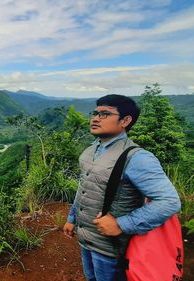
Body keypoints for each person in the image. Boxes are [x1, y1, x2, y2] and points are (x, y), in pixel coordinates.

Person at [62, 94, 181, 281]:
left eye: (104, 114)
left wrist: (122, 224)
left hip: (112, 250)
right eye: (95, 113)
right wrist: (72, 218)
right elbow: (84, 186)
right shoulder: (90, 151)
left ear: (125, 120)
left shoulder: (137, 158)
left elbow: (169, 202)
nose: (95, 118)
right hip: (86, 238)